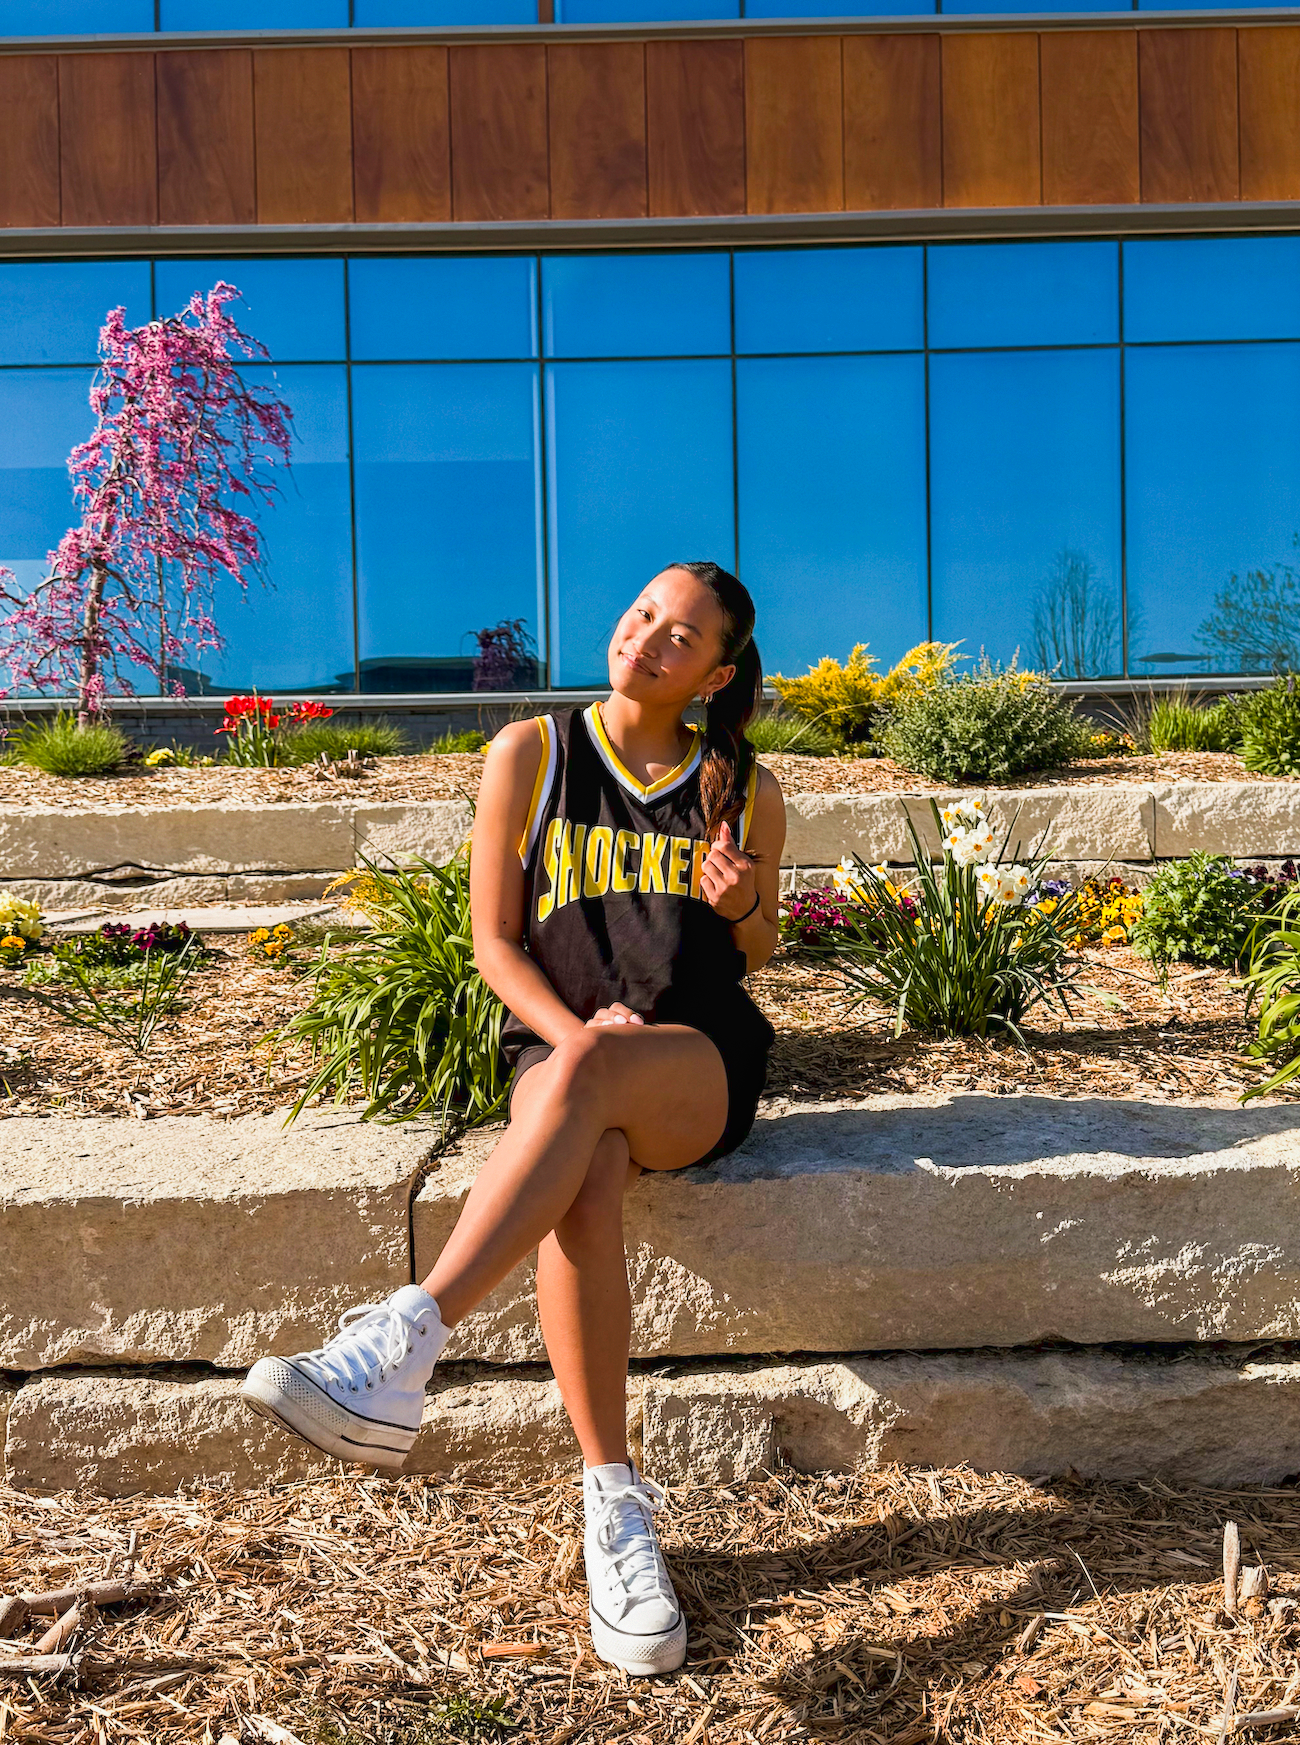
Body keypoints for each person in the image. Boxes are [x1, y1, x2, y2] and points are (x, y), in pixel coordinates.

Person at [240, 561, 786, 1677]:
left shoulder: (742, 785)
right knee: (585, 1171)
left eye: (681, 636)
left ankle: (405, 1340)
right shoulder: (532, 754)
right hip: (562, 1051)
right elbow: (495, 942)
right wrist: (577, 1036)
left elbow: (761, 947)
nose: (646, 638)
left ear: (714, 674)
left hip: (692, 1061)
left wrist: (740, 902)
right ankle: (614, 1507)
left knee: (594, 1094)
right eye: (643, 612)